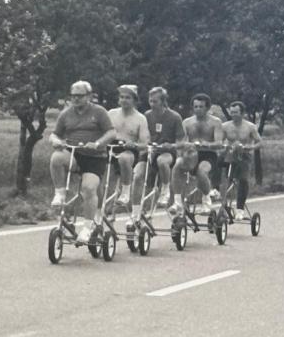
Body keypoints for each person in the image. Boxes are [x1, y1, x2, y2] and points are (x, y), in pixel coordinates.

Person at [49, 81, 117, 242]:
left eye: (79, 96)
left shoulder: (99, 112)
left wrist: (98, 143)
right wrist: (55, 141)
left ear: (89, 96)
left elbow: (111, 132)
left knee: (88, 188)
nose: (76, 99)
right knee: (56, 157)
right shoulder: (66, 113)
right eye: (73, 96)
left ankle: (87, 227)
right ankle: (60, 194)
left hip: (95, 157)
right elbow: (54, 134)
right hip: (74, 154)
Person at [133, 86, 186, 216]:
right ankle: (137, 209)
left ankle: (165, 189)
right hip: (150, 151)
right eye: (150, 101)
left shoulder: (174, 116)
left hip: (167, 152)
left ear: (163, 101)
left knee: (162, 161)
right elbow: (142, 136)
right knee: (138, 175)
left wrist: (172, 145)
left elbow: (181, 142)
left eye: (155, 101)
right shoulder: (146, 115)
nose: (152, 104)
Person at [173, 93, 224, 211]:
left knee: (201, 171)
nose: (198, 109)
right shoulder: (186, 122)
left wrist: (207, 144)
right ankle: (177, 201)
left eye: (201, 107)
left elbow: (219, 143)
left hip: (208, 154)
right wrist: (182, 149)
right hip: (191, 154)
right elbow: (181, 141)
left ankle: (206, 199)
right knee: (177, 165)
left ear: (207, 107)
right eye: (196, 107)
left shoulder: (215, 122)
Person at [106, 84, 149, 209]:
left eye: (128, 97)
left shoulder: (140, 118)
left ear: (134, 100)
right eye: (122, 97)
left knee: (124, 159)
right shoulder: (111, 113)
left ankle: (125, 191)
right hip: (110, 147)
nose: (124, 100)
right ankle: (98, 206)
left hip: (129, 150)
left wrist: (134, 144)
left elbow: (144, 144)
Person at [219, 101, 261, 220]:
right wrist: (223, 146)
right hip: (230, 154)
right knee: (227, 180)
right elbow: (219, 140)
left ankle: (240, 209)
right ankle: (224, 205)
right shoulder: (225, 126)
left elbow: (259, 142)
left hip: (244, 156)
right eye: (231, 112)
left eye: (236, 112)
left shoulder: (250, 127)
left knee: (243, 180)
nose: (233, 115)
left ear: (242, 113)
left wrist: (250, 147)